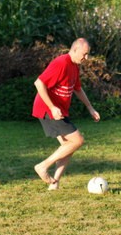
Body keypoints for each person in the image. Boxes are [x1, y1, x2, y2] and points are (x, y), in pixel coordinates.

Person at [32, 38, 101, 190]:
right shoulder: (61, 63)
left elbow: (77, 88)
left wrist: (90, 108)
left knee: (68, 146)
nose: (86, 58)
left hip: (59, 111)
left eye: (88, 54)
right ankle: (43, 166)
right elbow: (39, 83)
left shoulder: (75, 67)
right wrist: (52, 107)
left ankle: (54, 184)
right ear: (74, 49)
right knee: (77, 141)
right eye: (84, 54)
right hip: (48, 109)